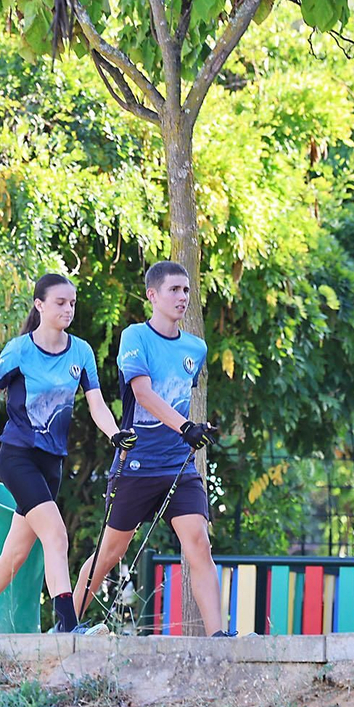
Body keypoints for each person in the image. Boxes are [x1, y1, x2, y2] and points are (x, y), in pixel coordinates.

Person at [0, 273, 135, 634]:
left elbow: (96, 404)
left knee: (15, 554)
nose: (68, 309)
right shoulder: (19, 350)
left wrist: (115, 434)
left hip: (52, 464)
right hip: (18, 457)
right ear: (40, 305)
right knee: (56, 535)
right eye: (60, 302)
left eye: (72, 303)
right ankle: (67, 626)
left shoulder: (81, 352)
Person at [72, 261, 229, 636]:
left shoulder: (196, 348)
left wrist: (192, 429)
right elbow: (142, 393)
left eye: (186, 290)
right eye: (174, 290)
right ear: (152, 296)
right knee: (110, 553)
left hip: (178, 466)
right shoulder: (135, 337)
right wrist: (185, 427)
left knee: (199, 544)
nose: (182, 297)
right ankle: (66, 626)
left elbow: (179, 400)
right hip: (137, 464)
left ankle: (219, 638)